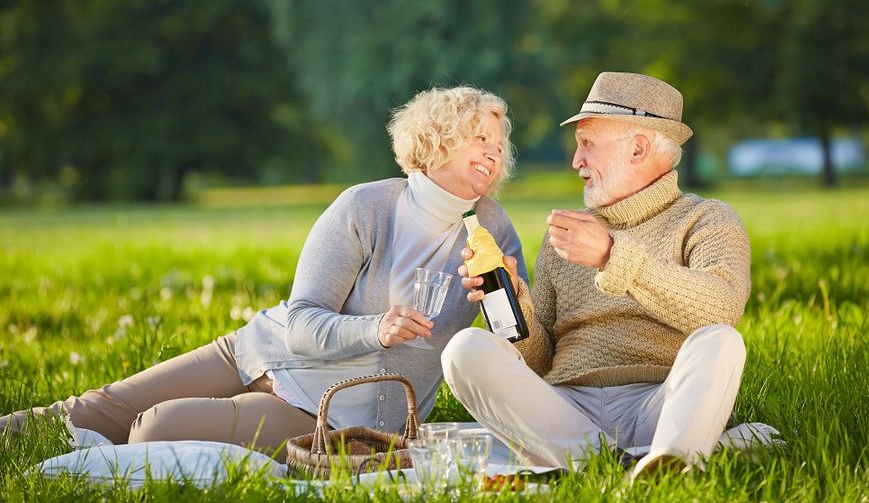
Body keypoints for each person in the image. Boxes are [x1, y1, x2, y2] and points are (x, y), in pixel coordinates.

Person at [1, 86, 529, 462]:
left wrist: (510, 295)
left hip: (325, 411)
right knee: (105, 406)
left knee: (153, 428)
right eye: (479, 136)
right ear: (437, 140)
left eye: (499, 144)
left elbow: (515, 341)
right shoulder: (365, 207)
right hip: (265, 349)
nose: (495, 149)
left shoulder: (492, 228)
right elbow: (301, 321)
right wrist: (375, 328)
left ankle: (153, 436)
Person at [442, 71, 751, 479]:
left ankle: (665, 459)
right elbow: (540, 361)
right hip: (566, 413)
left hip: (659, 404)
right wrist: (514, 304)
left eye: (587, 145)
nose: (576, 162)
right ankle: (629, 464)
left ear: (638, 148)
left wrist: (611, 255)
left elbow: (721, 308)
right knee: (463, 350)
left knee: (721, 340)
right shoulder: (563, 240)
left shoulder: (706, 219)